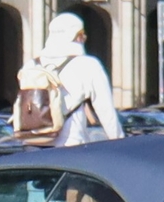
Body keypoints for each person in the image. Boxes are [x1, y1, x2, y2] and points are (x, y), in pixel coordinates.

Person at [38, 12, 123, 146]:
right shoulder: (88, 64)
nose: (84, 38)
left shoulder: (34, 64)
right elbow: (105, 110)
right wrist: (119, 142)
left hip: (32, 143)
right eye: (82, 34)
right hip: (69, 143)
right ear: (76, 36)